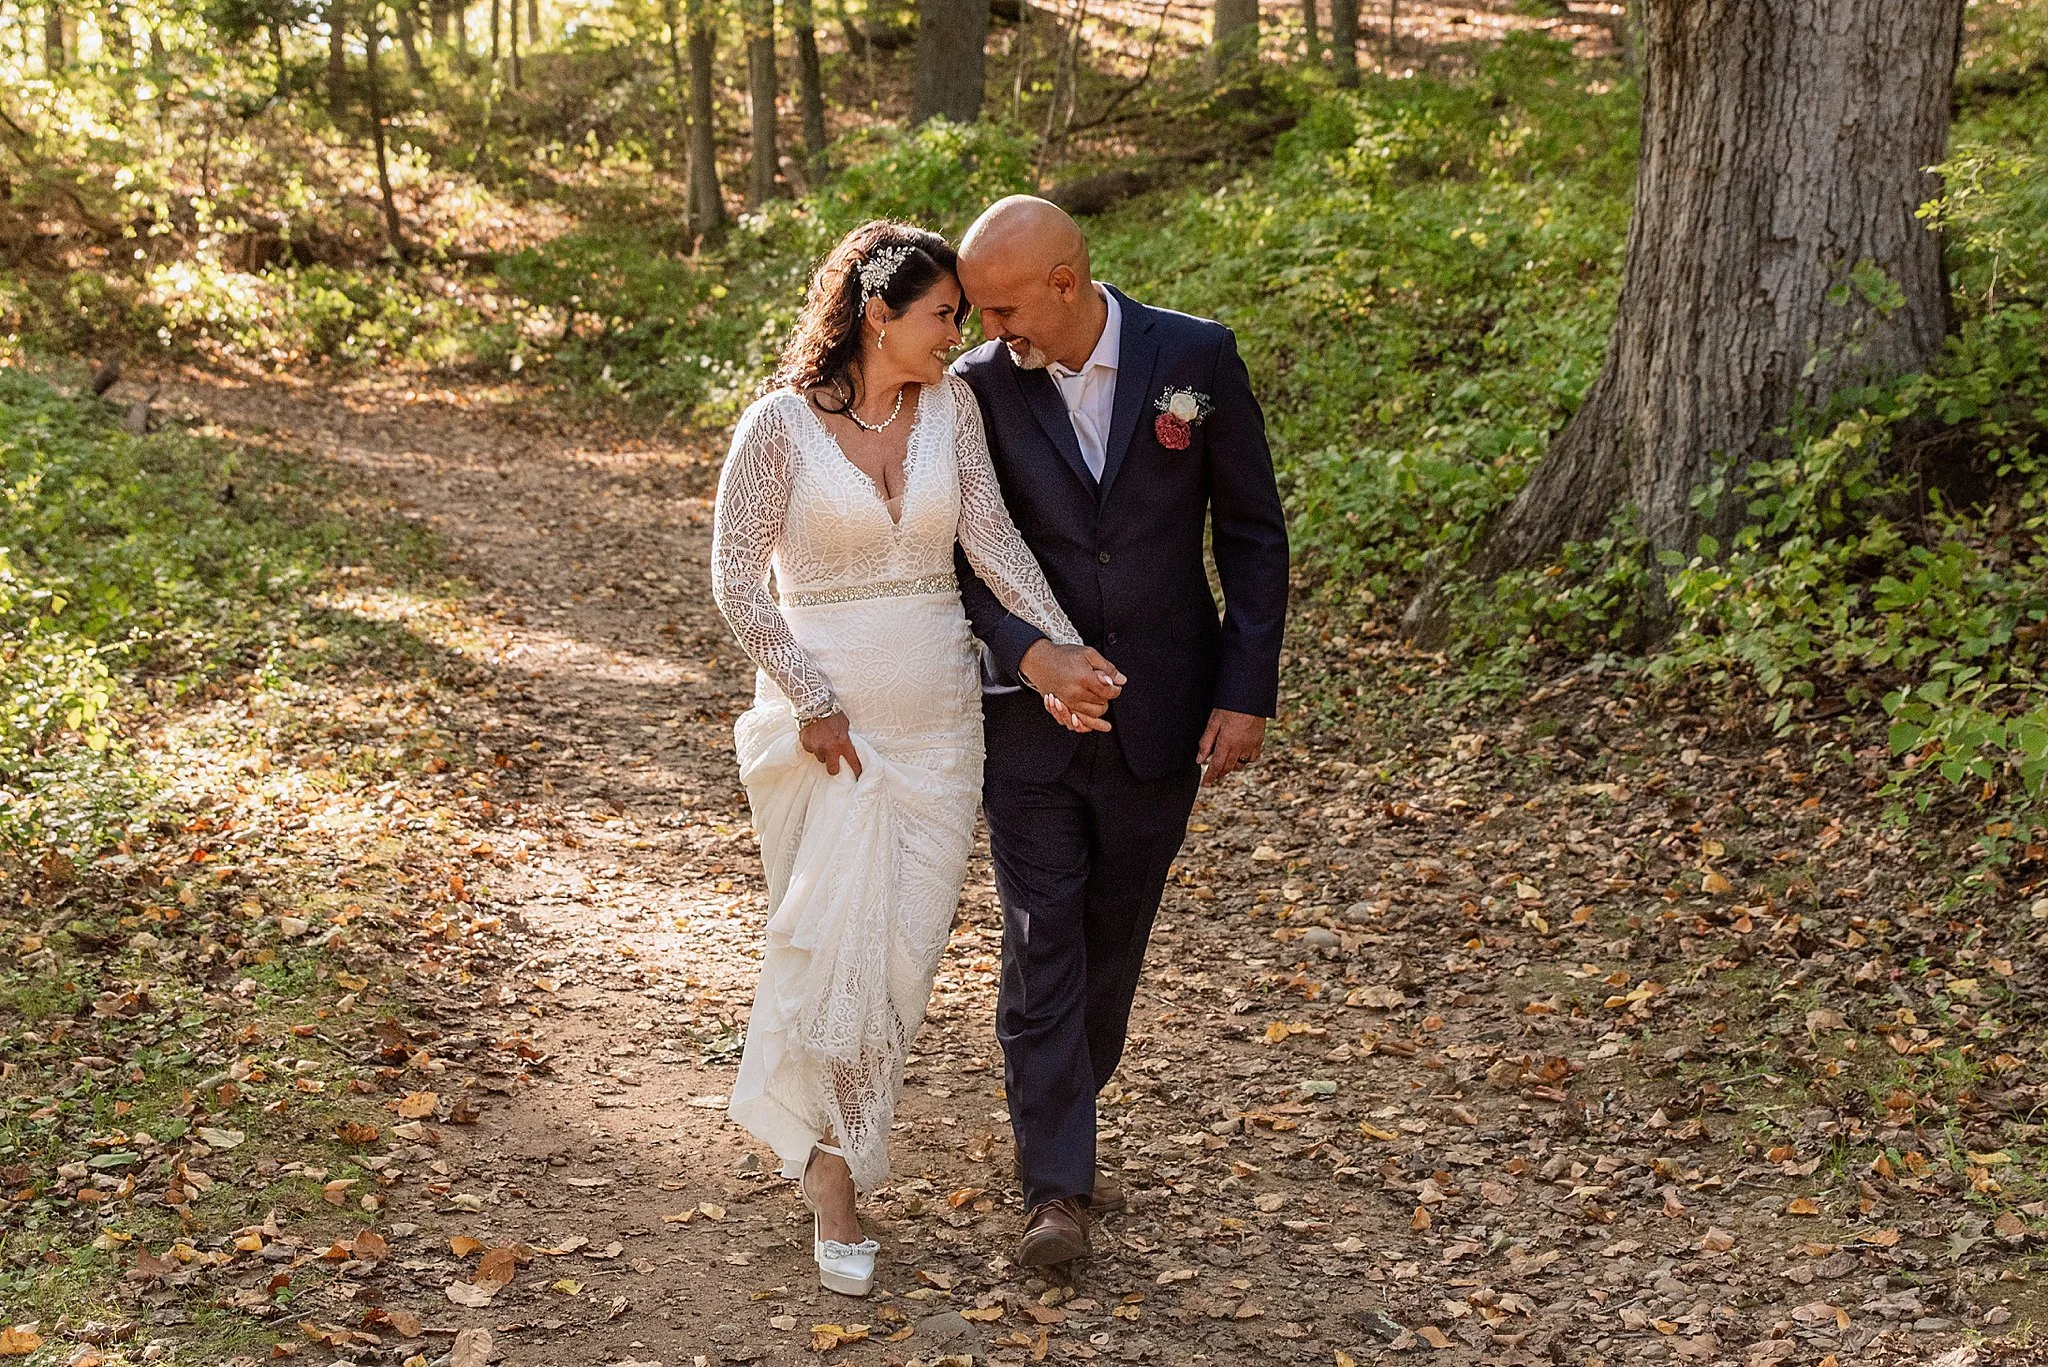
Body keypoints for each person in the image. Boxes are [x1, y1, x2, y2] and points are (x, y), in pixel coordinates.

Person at [709, 220, 1120, 1297]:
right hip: (827, 735)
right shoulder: (778, 425)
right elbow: (737, 581)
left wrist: (1062, 652)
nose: (958, 335)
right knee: (831, 949)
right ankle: (834, 1180)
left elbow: (993, 544)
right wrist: (812, 697)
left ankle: (832, 1142)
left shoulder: (951, 411)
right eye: (943, 315)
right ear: (878, 314)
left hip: (940, 728)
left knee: (898, 962)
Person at [952, 196, 1290, 1267]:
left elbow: (1250, 532)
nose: (985, 328)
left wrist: (1245, 689)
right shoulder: (974, 390)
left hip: (1164, 708)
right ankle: (1056, 1187)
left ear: (1065, 282)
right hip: (1027, 722)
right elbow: (956, 555)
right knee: (1041, 933)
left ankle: (1059, 1111)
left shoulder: (1194, 357)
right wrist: (1027, 650)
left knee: (1112, 938)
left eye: (1001, 307)